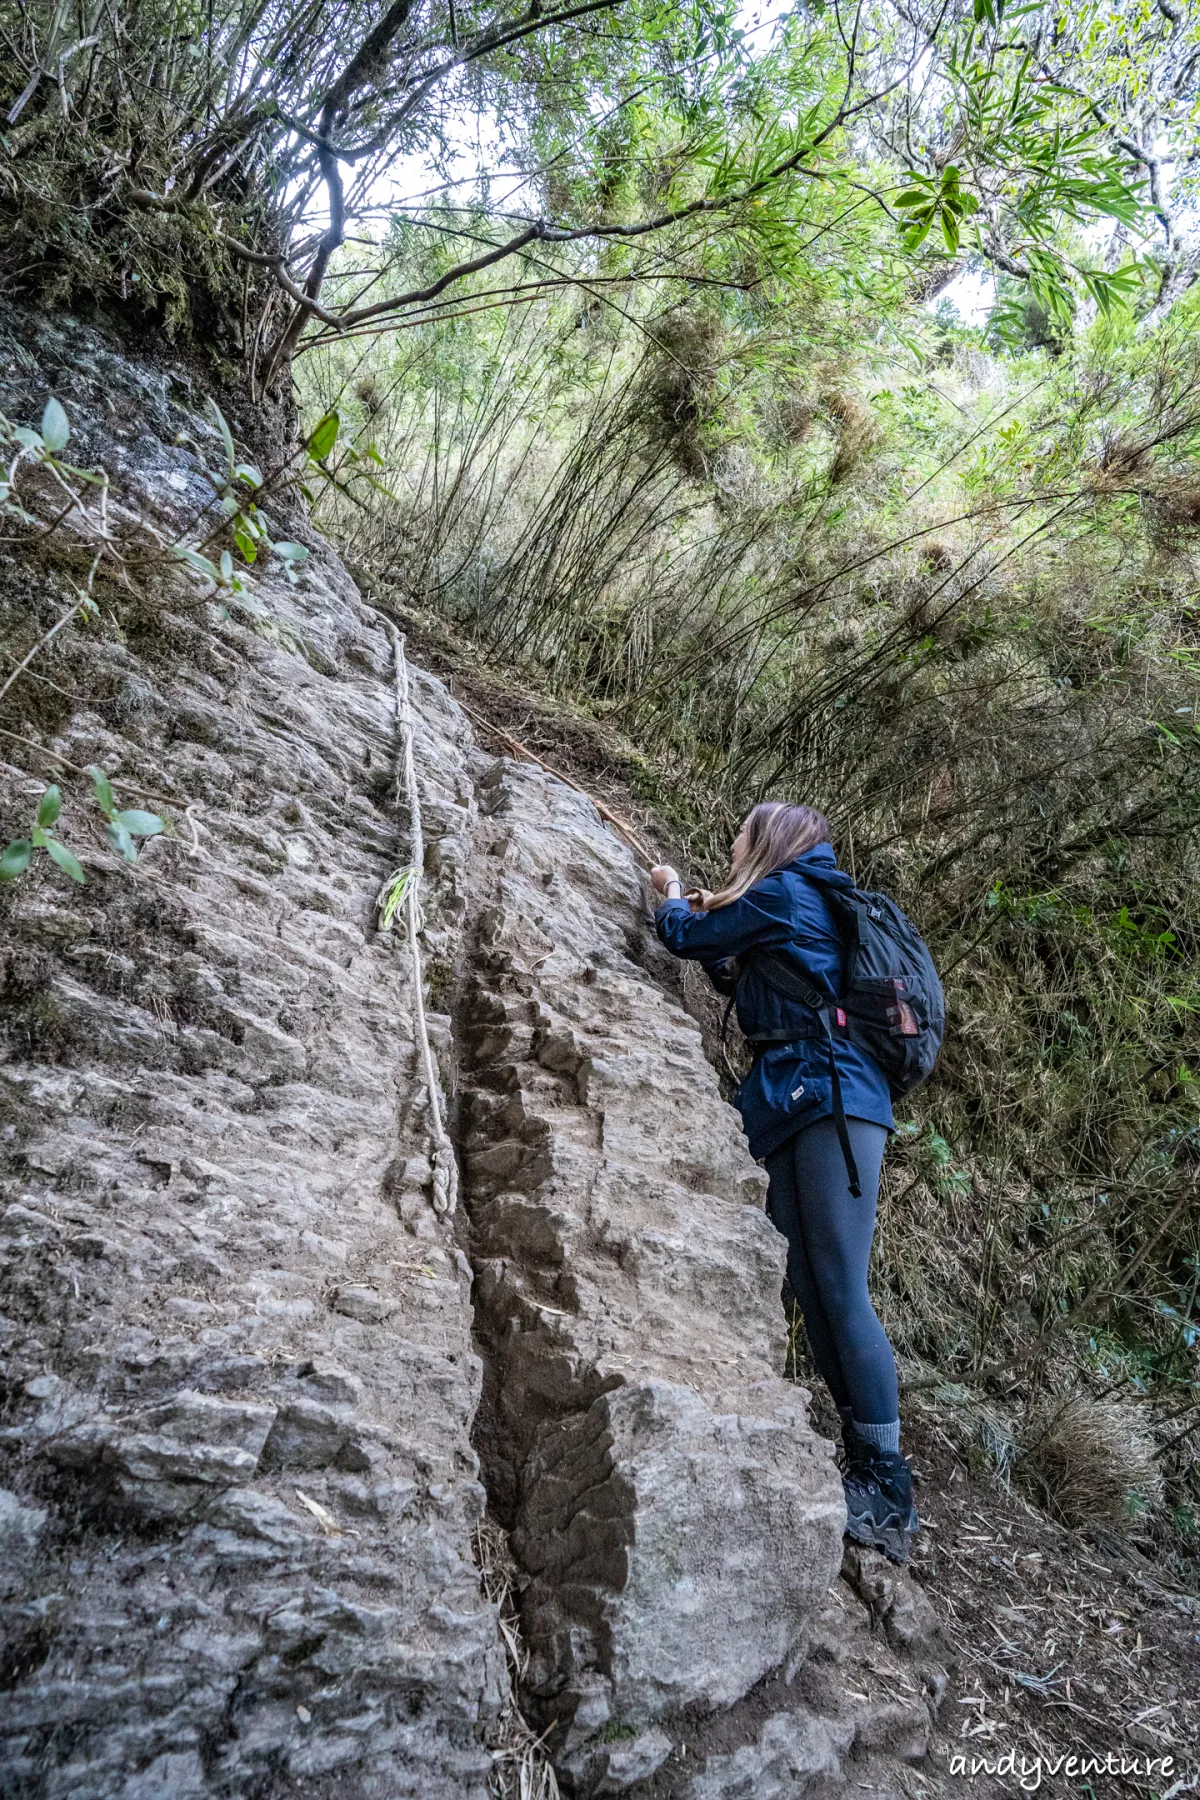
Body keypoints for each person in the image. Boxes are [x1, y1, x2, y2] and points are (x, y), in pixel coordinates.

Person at [651, 801, 918, 1563]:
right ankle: (864, 1458)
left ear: (769, 841)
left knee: (838, 1283)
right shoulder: (797, 901)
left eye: (740, 836)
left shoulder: (783, 892)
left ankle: (887, 1482)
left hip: (834, 1097)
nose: (734, 845)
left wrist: (670, 893)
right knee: (807, 1279)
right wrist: (712, 925)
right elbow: (736, 967)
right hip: (812, 1097)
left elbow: (684, 936)